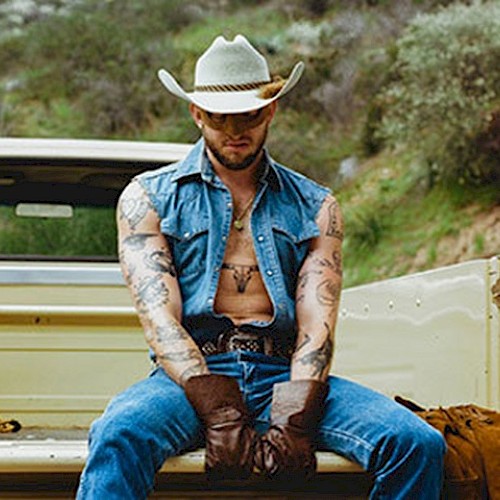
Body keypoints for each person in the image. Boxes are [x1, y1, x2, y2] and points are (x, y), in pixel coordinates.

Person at [76, 34, 446, 499]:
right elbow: (159, 320)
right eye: (218, 115)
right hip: (192, 376)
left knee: (416, 443)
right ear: (196, 114)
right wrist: (216, 408)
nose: (234, 128)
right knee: (117, 435)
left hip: (284, 373)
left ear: (270, 109)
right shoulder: (148, 197)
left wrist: (296, 413)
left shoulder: (315, 205)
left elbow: (317, 325)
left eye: (248, 113)